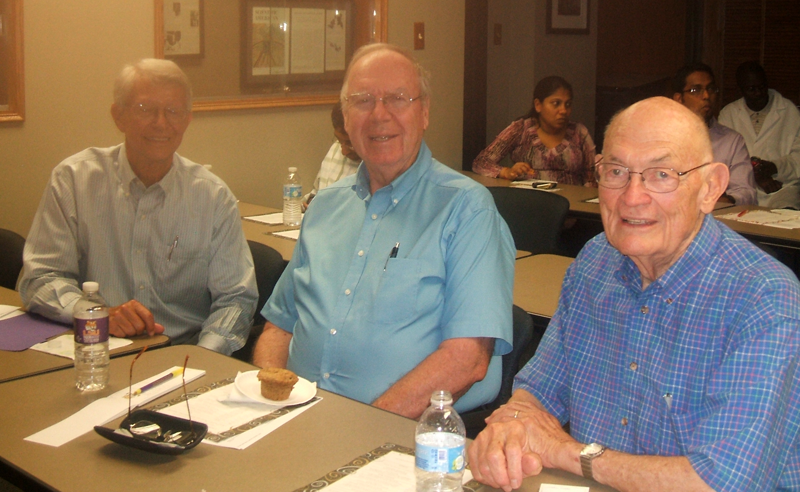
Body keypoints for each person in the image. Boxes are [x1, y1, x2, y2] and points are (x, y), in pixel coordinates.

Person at [468, 97, 800, 491]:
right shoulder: (596, 263)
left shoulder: (765, 299)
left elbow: (724, 481)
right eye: (616, 171)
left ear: (711, 188)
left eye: (662, 174)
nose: (632, 196)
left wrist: (569, 453)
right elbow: (540, 389)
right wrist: (510, 426)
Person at [253, 43, 515, 419]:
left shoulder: (467, 210)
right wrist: (268, 403)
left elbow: (468, 359)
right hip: (296, 420)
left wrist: (370, 423)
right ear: (344, 117)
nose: (379, 115)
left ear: (424, 112)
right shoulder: (324, 206)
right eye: (362, 101)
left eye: (398, 98)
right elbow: (279, 325)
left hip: (402, 432)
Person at [20, 59, 258, 356]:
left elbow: (236, 299)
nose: (161, 123)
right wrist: (97, 312)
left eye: (173, 111)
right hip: (95, 349)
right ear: (118, 116)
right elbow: (39, 279)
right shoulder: (74, 181)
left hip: (181, 353)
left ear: (187, 119)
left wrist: (201, 357)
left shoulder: (212, 197)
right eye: (145, 110)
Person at [472, 76, 596, 185]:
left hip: (572, 206)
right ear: (538, 105)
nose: (563, 110)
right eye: (556, 103)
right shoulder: (520, 129)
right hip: (529, 203)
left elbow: (592, 178)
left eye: (567, 104)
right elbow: (481, 162)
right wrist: (506, 172)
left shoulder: (579, 132)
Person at [672, 63, 757, 205]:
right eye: (696, 90)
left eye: (711, 89)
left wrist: (727, 200)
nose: (706, 96)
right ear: (679, 99)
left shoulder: (731, 141)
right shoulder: (662, 136)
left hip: (717, 217)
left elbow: (747, 192)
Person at [719, 61, 800, 209]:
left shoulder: (789, 111)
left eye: (762, 87)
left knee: (785, 220)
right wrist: (754, 174)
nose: (759, 93)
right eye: (751, 89)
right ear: (741, 90)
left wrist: (773, 167)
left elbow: (797, 159)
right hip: (742, 189)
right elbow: (723, 159)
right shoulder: (728, 114)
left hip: (781, 188)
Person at [303, 101, 361, 208]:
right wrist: (312, 200)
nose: (343, 151)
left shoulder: (381, 167)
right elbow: (316, 192)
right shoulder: (335, 149)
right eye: (339, 140)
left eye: (349, 143)